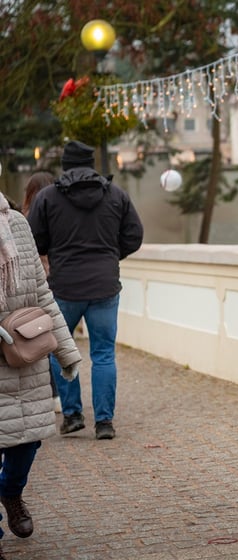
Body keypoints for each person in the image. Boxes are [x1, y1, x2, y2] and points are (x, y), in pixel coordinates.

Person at [27, 140, 144, 441]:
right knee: (103, 354)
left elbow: (33, 239)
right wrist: (110, 256)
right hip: (105, 286)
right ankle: (104, 422)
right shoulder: (116, 195)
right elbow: (134, 235)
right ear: (92, 164)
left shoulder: (48, 198)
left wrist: (56, 252)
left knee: (60, 351)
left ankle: (72, 415)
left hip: (65, 287)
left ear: (65, 165)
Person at [0, 190, 82, 559]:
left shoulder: (17, 224)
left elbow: (42, 294)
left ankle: (11, 492)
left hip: (24, 358)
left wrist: (67, 351)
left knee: (26, 442)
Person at [20, 171, 60, 413]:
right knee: (54, 340)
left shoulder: (22, 218)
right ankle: (57, 396)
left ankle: (47, 394)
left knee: (35, 341)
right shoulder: (58, 212)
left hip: (31, 287)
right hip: (54, 282)